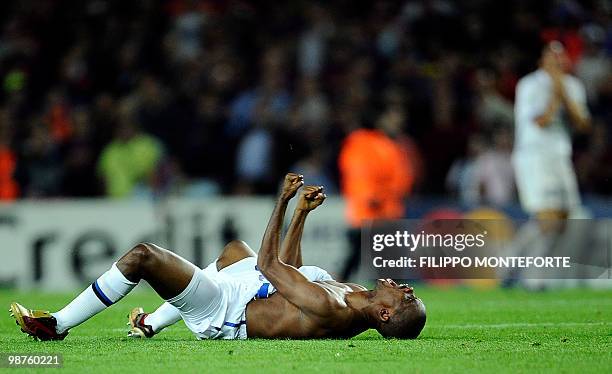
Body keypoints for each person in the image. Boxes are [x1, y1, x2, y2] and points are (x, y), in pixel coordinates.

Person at [10, 173, 426, 341]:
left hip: (224, 312)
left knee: (142, 256)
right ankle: (151, 324)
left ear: (385, 316)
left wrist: (281, 202)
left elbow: (270, 267)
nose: (406, 289)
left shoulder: (332, 307)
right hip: (247, 292)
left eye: (406, 299)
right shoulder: (352, 292)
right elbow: (292, 273)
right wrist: (301, 212)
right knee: (234, 251)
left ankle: (57, 326)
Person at [513, 41, 590, 225]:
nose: (557, 60)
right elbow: (541, 121)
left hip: (560, 154)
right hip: (534, 155)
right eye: (552, 55)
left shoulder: (573, 85)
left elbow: (583, 125)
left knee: (567, 213)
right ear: (542, 60)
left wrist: (563, 92)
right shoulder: (529, 84)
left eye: (560, 55)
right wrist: (556, 93)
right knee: (547, 213)